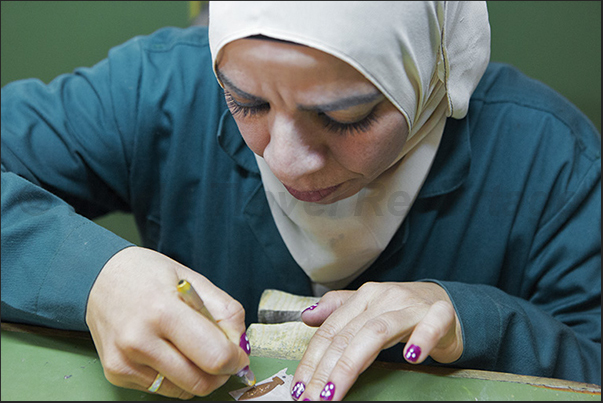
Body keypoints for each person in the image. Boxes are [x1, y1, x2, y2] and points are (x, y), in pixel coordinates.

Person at [1, 1, 600, 400]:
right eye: (246, 104)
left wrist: (477, 321)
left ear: (433, 74)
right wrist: (93, 277)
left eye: (346, 116)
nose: (284, 159)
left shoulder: (553, 159)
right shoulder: (159, 88)